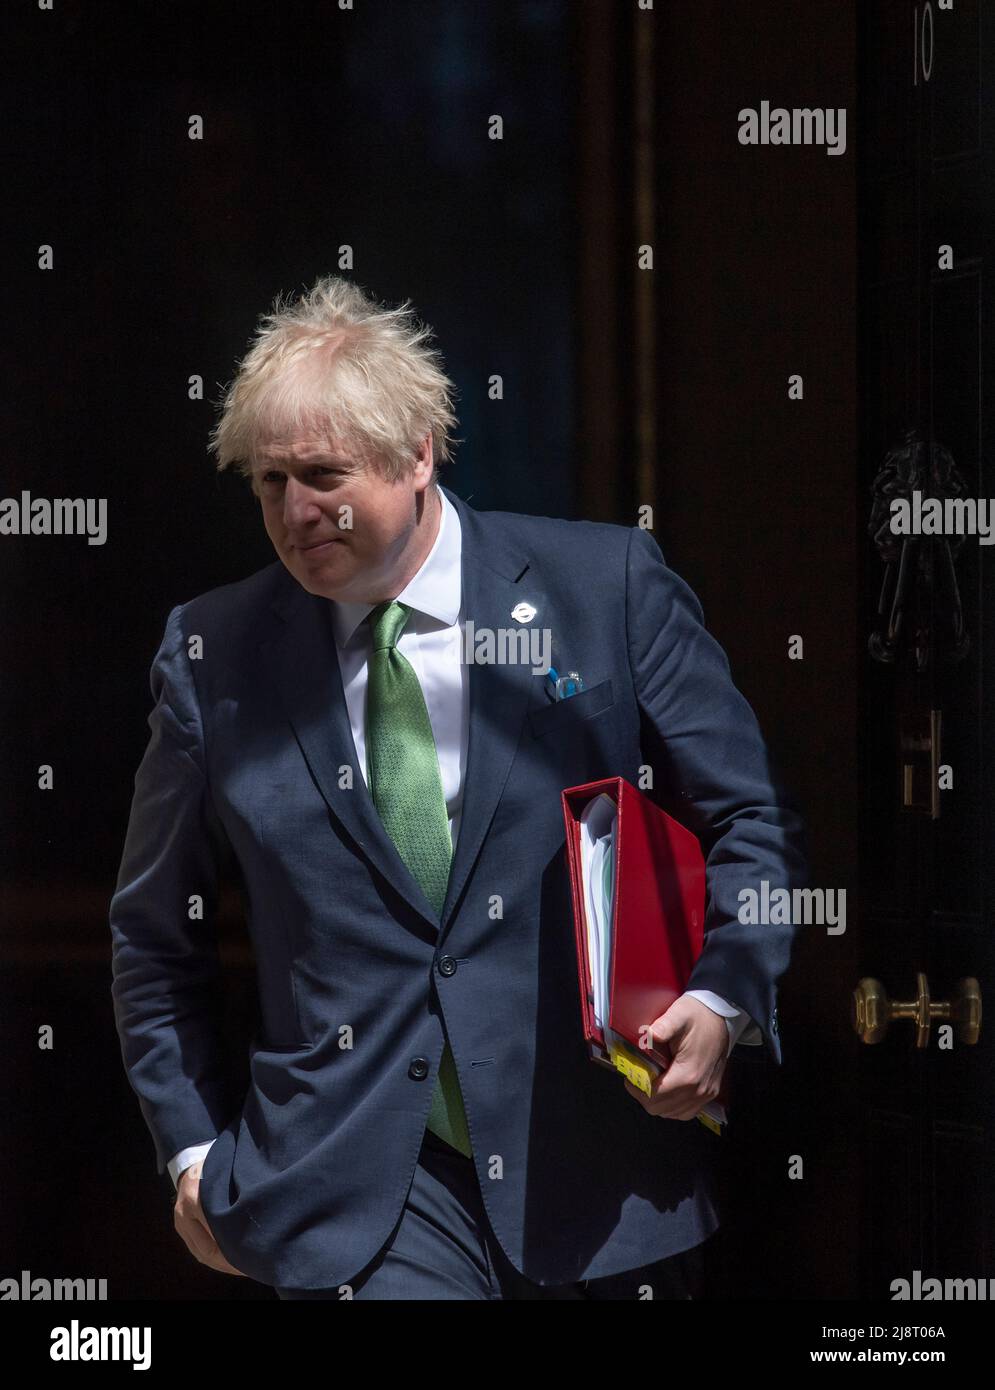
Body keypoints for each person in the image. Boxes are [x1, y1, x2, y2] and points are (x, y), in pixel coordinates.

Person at [109, 275, 807, 1300]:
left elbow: (752, 819)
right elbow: (151, 933)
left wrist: (720, 995)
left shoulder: (600, 589)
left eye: (322, 473)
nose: (295, 511)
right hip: (356, 1194)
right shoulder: (213, 657)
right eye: (268, 483)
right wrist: (193, 1152)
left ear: (417, 453)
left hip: (597, 1182)